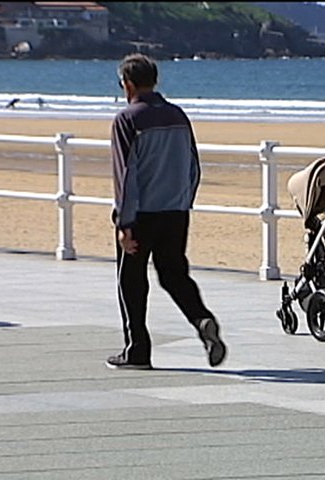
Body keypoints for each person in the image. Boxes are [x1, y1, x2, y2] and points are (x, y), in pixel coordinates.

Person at [107, 53, 226, 369]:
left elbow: (126, 175)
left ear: (129, 84)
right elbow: (193, 167)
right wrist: (184, 202)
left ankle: (137, 351)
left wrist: (124, 222)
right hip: (176, 212)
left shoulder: (127, 120)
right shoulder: (178, 115)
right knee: (174, 275)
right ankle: (202, 320)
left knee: (131, 280)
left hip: (142, 213)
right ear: (154, 81)